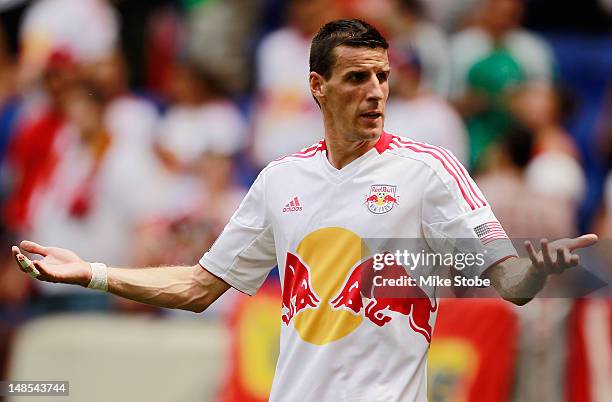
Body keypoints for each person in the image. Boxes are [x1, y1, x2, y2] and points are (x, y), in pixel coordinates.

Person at [11, 19, 597, 401]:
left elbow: (509, 282)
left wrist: (535, 269)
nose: (375, 92)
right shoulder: (279, 180)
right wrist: (91, 272)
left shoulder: (429, 170)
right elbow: (197, 286)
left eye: (383, 78)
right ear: (317, 86)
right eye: (356, 78)